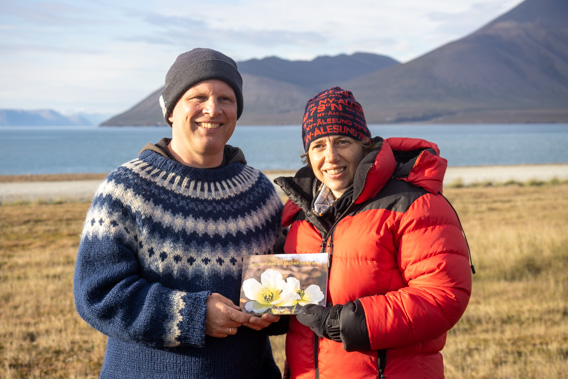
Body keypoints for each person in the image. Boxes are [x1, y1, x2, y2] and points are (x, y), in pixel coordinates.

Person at [74, 48, 285, 378]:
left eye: (226, 99)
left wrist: (277, 311)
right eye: (197, 97)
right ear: (171, 110)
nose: (212, 109)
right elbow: (98, 294)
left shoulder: (259, 192)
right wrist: (193, 315)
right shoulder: (126, 189)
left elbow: (283, 287)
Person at [274, 87, 473, 378]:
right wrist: (273, 314)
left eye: (342, 141)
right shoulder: (301, 216)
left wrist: (346, 323)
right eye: (318, 146)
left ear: (364, 144)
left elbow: (443, 296)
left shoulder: (413, 203)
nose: (330, 157)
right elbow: (301, 305)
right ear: (308, 155)